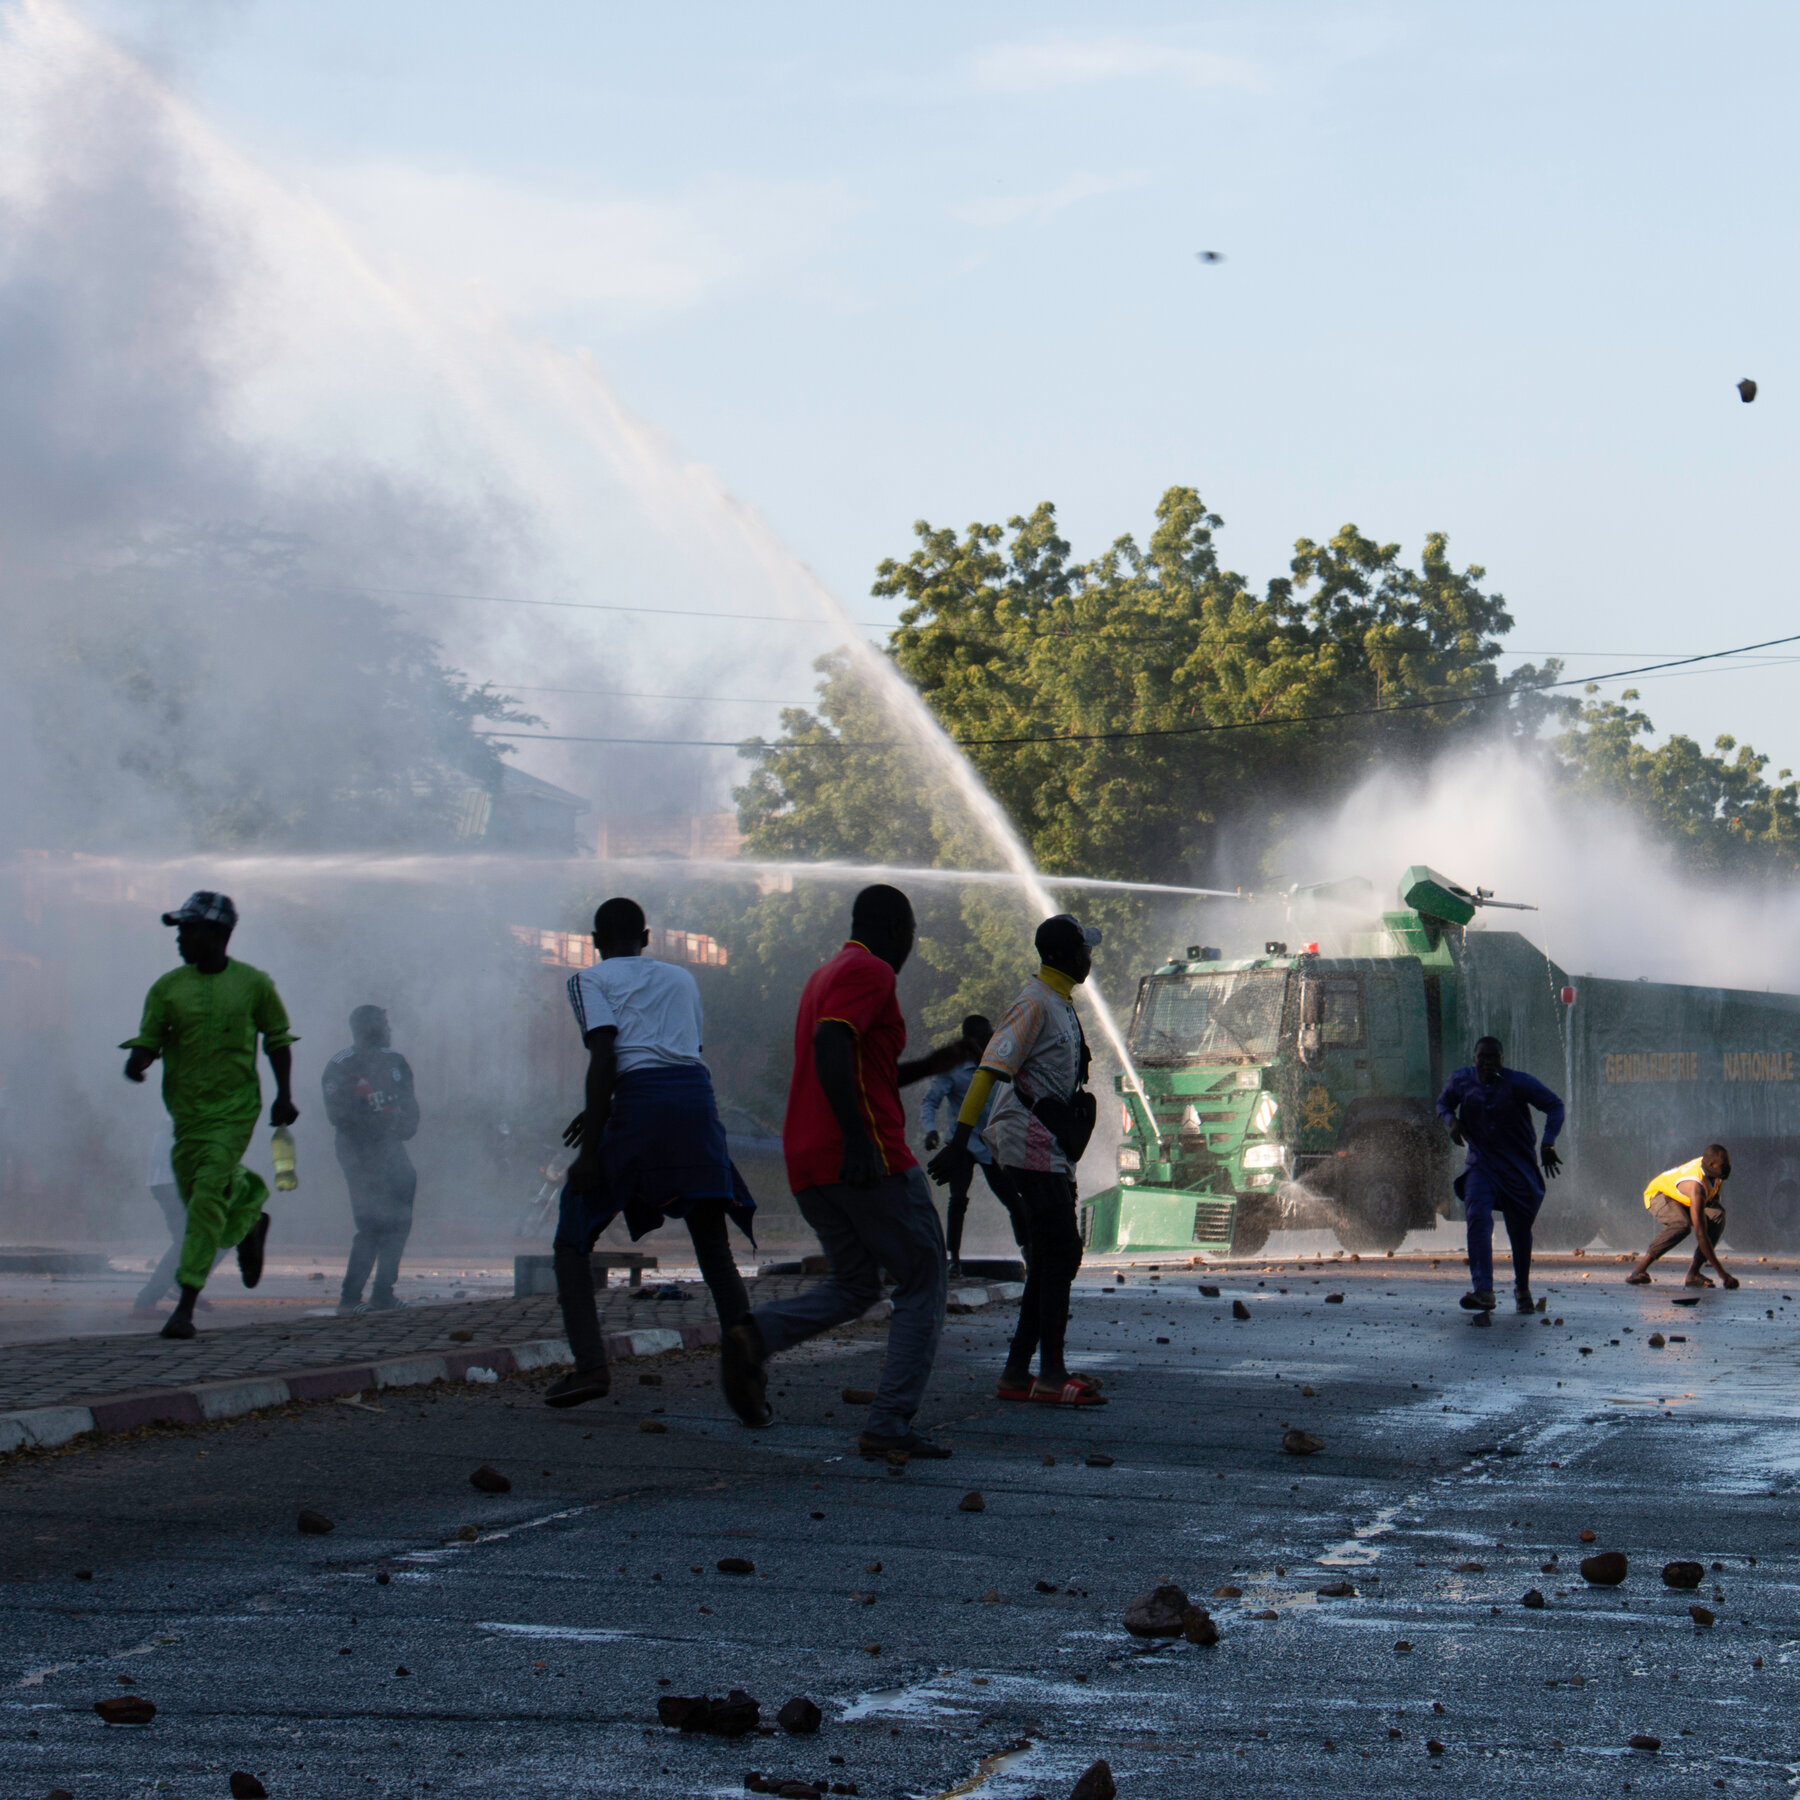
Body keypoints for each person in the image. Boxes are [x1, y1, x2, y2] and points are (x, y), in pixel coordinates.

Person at [718, 885, 972, 1456]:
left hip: (809, 1160)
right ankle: (888, 1424)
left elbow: (860, 1065)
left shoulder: (824, 975)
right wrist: (859, 1139)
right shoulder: (873, 971)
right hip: (865, 1157)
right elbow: (830, 1043)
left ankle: (755, 1336)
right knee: (925, 1273)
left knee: (856, 1284)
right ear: (898, 930)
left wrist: (937, 1063)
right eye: (910, 936)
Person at [545, 897, 759, 1409]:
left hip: (640, 1105)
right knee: (714, 1250)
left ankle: (591, 1368)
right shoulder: (682, 979)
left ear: (595, 943)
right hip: (695, 1104)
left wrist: (590, 1151)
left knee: (572, 1239)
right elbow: (682, 1052)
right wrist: (605, 1107)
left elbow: (606, 1057)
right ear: (646, 937)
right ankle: (750, 1379)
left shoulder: (588, 981)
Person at [929, 913, 1105, 1407]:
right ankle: (1050, 1375)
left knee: (1052, 1256)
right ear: (1066, 956)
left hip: (1047, 1142)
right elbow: (989, 1070)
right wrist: (959, 1141)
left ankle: (1017, 1373)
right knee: (1060, 1251)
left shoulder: (1059, 1002)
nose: (1090, 958)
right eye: (1084, 950)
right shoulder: (1032, 1004)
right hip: (1027, 1139)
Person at [120, 892, 298, 1340]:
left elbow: (277, 1039)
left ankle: (184, 1306)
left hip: (236, 1109)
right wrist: (137, 1060)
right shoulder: (167, 988)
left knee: (203, 1201)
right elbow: (149, 1038)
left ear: (218, 934)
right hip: (186, 1116)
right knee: (207, 1190)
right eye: (179, 931)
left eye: (188, 930)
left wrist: (284, 1095)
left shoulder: (254, 984)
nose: (179, 940)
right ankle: (252, 1215)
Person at [1435, 1035, 1564, 1318]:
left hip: (1518, 1168)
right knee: (1477, 1216)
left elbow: (1555, 1105)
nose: (1488, 1064)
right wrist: (1452, 1122)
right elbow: (1442, 1105)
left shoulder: (1518, 1083)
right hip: (1481, 1165)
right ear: (1474, 1060)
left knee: (1519, 1231)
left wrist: (1548, 1143)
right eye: (1483, 1058)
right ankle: (1484, 1290)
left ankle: (1522, 1288)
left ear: (1502, 1062)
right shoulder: (1461, 1081)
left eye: (1494, 1058)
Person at [323, 1006, 420, 1315]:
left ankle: (383, 1293)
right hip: (358, 1151)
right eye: (383, 1024)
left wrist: (403, 1126)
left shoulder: (396, 1063)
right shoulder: (341, 1065)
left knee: (400, 1218)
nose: (388, 1030)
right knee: (371, 1222)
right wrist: (377, 1124)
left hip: (391, 1150)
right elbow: (337, 1115)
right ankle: (349, 1300)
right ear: (366, 1029)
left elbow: (411, 1108)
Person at [920, 1013, 1025, 1275]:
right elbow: (930, 1101)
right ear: (970, 1041)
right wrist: (930, 1129)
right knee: (958, 1199)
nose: (988, 1042)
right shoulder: (953, 1069)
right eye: (983, 1038)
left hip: (992, 1142)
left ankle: (1028, 1248)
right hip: (962, 1144)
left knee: (1012, 1199)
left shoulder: (999, 1063)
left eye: (990, 1037)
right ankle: (953, 1258)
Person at [131, 1118, 222, 1317]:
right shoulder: (190, 1096)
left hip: (176, 1179)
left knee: (214, 1236)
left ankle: (182, 1285)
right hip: (175, 1179)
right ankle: (153, 1298)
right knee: (193, 1240)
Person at [1627, 1145, 1739, 1288]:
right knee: (1682, 1225)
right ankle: (1638, 1270)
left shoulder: (1714, 1171)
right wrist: (1723, 1275)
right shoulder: (1696, 1187)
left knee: (1717, 1216)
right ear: (1711, 1165)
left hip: (1681, 1198)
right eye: (1724, 1165)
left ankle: (1693, 1275)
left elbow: (1715, 1193)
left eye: (1729, 1163)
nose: (1728, 1168)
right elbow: (1701, 1235)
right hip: (1659, 1195)